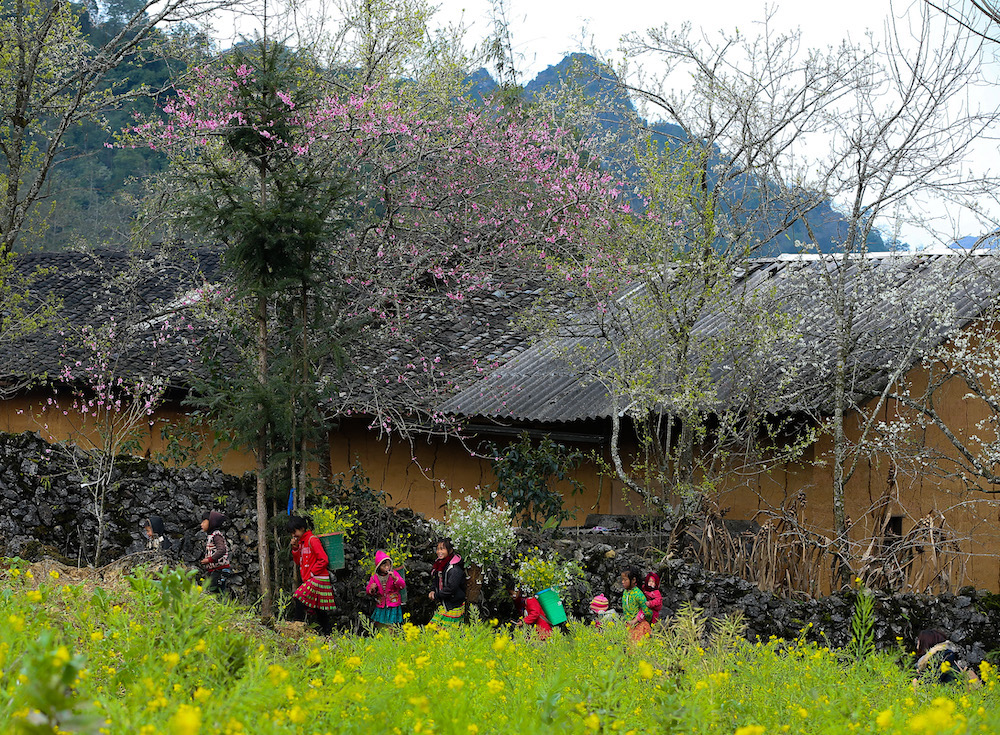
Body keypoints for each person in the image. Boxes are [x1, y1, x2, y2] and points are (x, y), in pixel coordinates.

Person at [288, 515, 336, 635]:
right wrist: (294, 548)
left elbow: (323, 559)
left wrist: (312, 572)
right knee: (319, 609)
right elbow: (299, 561)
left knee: (299, 597)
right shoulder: (302, 543)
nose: (294, 535)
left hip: (318, 577)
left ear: (303, 528)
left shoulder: (312, 540)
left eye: (295, 531)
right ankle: (328, 634)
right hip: (314, 577)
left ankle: (297, 626)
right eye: (292, 533)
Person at [915, 628, 979, 686]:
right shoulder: (947, 656)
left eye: (919, 640)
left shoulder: (940, 658)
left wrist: (916, 681)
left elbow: (930, 683)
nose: (917, 643)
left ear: (926, 642)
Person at [428, 538, 466, 626]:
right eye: (437, 549)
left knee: (442, 632)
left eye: (442, 549)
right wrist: (433, 590)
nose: (439, 552)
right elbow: (435, 580)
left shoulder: (454, 569)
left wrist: (436, 595)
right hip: (445, 604)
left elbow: (451, 588)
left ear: (450, 550)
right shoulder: (440, 565)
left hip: (454, 606)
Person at [365, 550, 405, 628]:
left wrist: (395, 578)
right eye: (384, 566)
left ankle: (391, 638)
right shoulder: (374, 577)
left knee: (391, 624)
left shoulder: (394, 574)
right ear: (379, 567)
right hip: (381, 605)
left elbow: (402, 585)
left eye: (388, 565)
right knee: (379, 623)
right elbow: (369, 591)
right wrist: (371, 589)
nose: (387, 568)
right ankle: (382, 637)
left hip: (393, 604)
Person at [199, 510, 230, 595]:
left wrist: (209, 560)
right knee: (216, 592)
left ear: (211, 523)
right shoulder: (212, 535)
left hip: (220, 570)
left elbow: (222, 550)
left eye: (204, 522)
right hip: (216, 570)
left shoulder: (216, 535)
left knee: (214, 591)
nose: (201, 524)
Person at [620, 567, 652, 641]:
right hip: (628, 625)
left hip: (639, 626)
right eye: (622, 580)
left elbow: (647, 611)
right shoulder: (626, 592)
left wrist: (637, 620)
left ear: (633, 580)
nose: (622, 582)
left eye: (625, 580)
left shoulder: (638, 594)